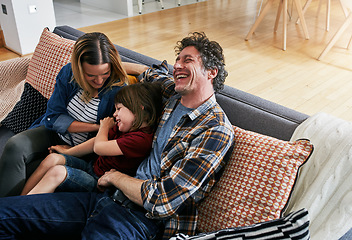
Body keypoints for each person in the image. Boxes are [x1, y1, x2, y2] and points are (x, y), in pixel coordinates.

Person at [0, 32, 234, 239]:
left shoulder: (215, 130)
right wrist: (114, 65)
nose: (178, 66)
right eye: (178, 60)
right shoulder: (170, 92)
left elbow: (164, 201)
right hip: (102, 197)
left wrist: (115, 177)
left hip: (137, 219)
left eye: (188, 60)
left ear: (211, 72)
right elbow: (151, 72)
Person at [0, 32, 143, 197]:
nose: (99, 81)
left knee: (27, 171)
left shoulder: (118, 90)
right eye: (91, 75)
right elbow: (52, 117)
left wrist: (73, 150)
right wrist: (97, 126)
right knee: (15, 145)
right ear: (79, 68)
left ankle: (8, 211)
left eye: (105, 73)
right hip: (53, 134)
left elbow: (111, 134)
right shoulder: (68, 73)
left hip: (84, 149)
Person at [21, 82, 163, 195]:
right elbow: (95, 142)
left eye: (119, 109)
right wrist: (68, 152)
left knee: (58, 172)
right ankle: (18, 200)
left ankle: (19, 212)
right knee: (53, 159)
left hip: (98, 183)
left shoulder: (141, 140)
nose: (115, 114)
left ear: (139, 108)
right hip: (92, 167)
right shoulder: (126, 128)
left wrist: (103, 127)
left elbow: (99, 147)